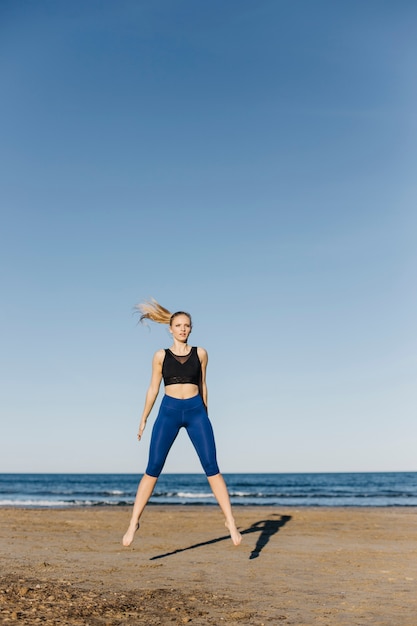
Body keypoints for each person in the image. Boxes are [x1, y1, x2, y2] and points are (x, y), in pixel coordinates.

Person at [122, 299, 242, 547]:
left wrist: (205, 415)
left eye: (186, 325)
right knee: (153, 467)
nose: (183, 329)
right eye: (178, 325)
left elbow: (204, 385)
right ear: (170, 328)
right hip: (169, 412)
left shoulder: (201, 353)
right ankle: (134, 521)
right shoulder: (160, 356)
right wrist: (143, 418)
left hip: (196, 412)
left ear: (190, 328)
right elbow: (153, 389)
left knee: (212, 466)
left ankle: (230, 521)